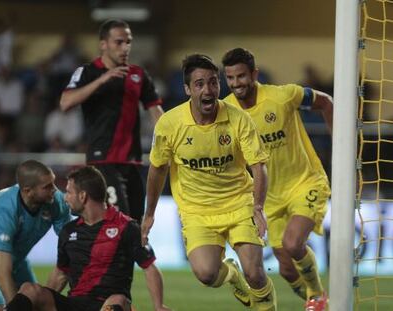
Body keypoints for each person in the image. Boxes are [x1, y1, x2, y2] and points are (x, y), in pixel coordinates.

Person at [141, 54, 277, 310]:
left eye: (213, 82)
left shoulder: (238, 119)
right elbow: (158, 169)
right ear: (187, 89)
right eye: (200, 84)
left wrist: (258, 208)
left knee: (256, 273)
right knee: (206, 274)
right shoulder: (169, 124)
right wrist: (150, 213)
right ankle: (232, 275)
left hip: (239, 204)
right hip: (197, 211)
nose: (208, 90)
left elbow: (258, 165)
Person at [221, 48, 333, 311]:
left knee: (294, 244)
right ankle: (319, 302)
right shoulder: (226, 111)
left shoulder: (284, 96)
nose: (236, 83)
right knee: (285, 269)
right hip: (268, 197)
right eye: (230, 78)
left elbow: (326, 102)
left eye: (241, 76)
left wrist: (341, 144)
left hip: (305, 182)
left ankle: (317, 296)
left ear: (254, 74)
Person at [0, 166, 169, 311]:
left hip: (107, 304)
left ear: (83, 196)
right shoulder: (69, 231)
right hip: (73, 304)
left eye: (68, 192)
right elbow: (60, 274)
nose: (65, 198)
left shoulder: (127, 227)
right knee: (29, 289)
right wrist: (38, 301)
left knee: (118, 300)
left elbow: (150, 267)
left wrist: (158, 306)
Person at [59, 19, 164, 223]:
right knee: (119, 222)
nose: (125, 47)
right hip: (103, 161)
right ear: (103, 44)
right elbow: (65, 102)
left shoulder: (138, 75)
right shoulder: (88, 72)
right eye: (119, 42)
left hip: (132, 161)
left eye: (128, 42)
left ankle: (135, 255)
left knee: (134, 223)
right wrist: (103, 79)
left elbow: (156, 112)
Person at [0, 160, 71, 310]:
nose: (54, 189)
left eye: (53, 183)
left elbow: (70, 248)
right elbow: (2, 272)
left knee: (36, 299)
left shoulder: (56, 202)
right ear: (28, 191)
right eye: (47, 187)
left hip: (16, 258)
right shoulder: (4, 209)